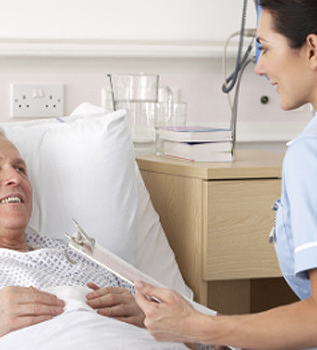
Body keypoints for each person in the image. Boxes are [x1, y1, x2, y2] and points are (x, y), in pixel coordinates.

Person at [134, 1, 317, 349]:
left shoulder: (308, 155)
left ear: (311, 50)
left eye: (264, 49)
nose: (259, 67)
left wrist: (197, 327)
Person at [0, 125, 148, 349]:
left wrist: (150, 318)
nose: (15, 177)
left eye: (20, 169)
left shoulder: (82, 253)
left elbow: (193, 329)